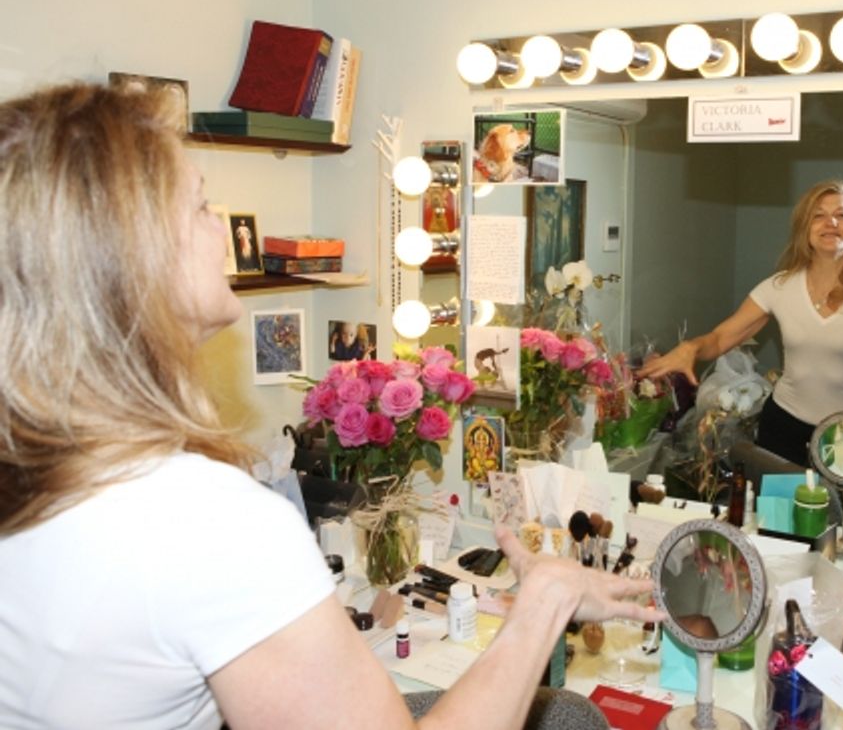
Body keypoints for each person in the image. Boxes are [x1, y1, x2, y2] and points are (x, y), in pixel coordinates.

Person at [0, 82, 662, 729]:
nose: (223, 231)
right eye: (201, 206)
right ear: (136, 260)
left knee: (568, 714)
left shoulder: (40, 477)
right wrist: (545, 601)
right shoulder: (206, 523)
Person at [639, 179, 843, 466]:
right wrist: (692, 347)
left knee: (842, 511)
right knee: (775, 509)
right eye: (818, 216)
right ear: (805, 229)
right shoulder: (778, 287)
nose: (830, 223)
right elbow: (721, 338)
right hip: (784, 425)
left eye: (841, 215)